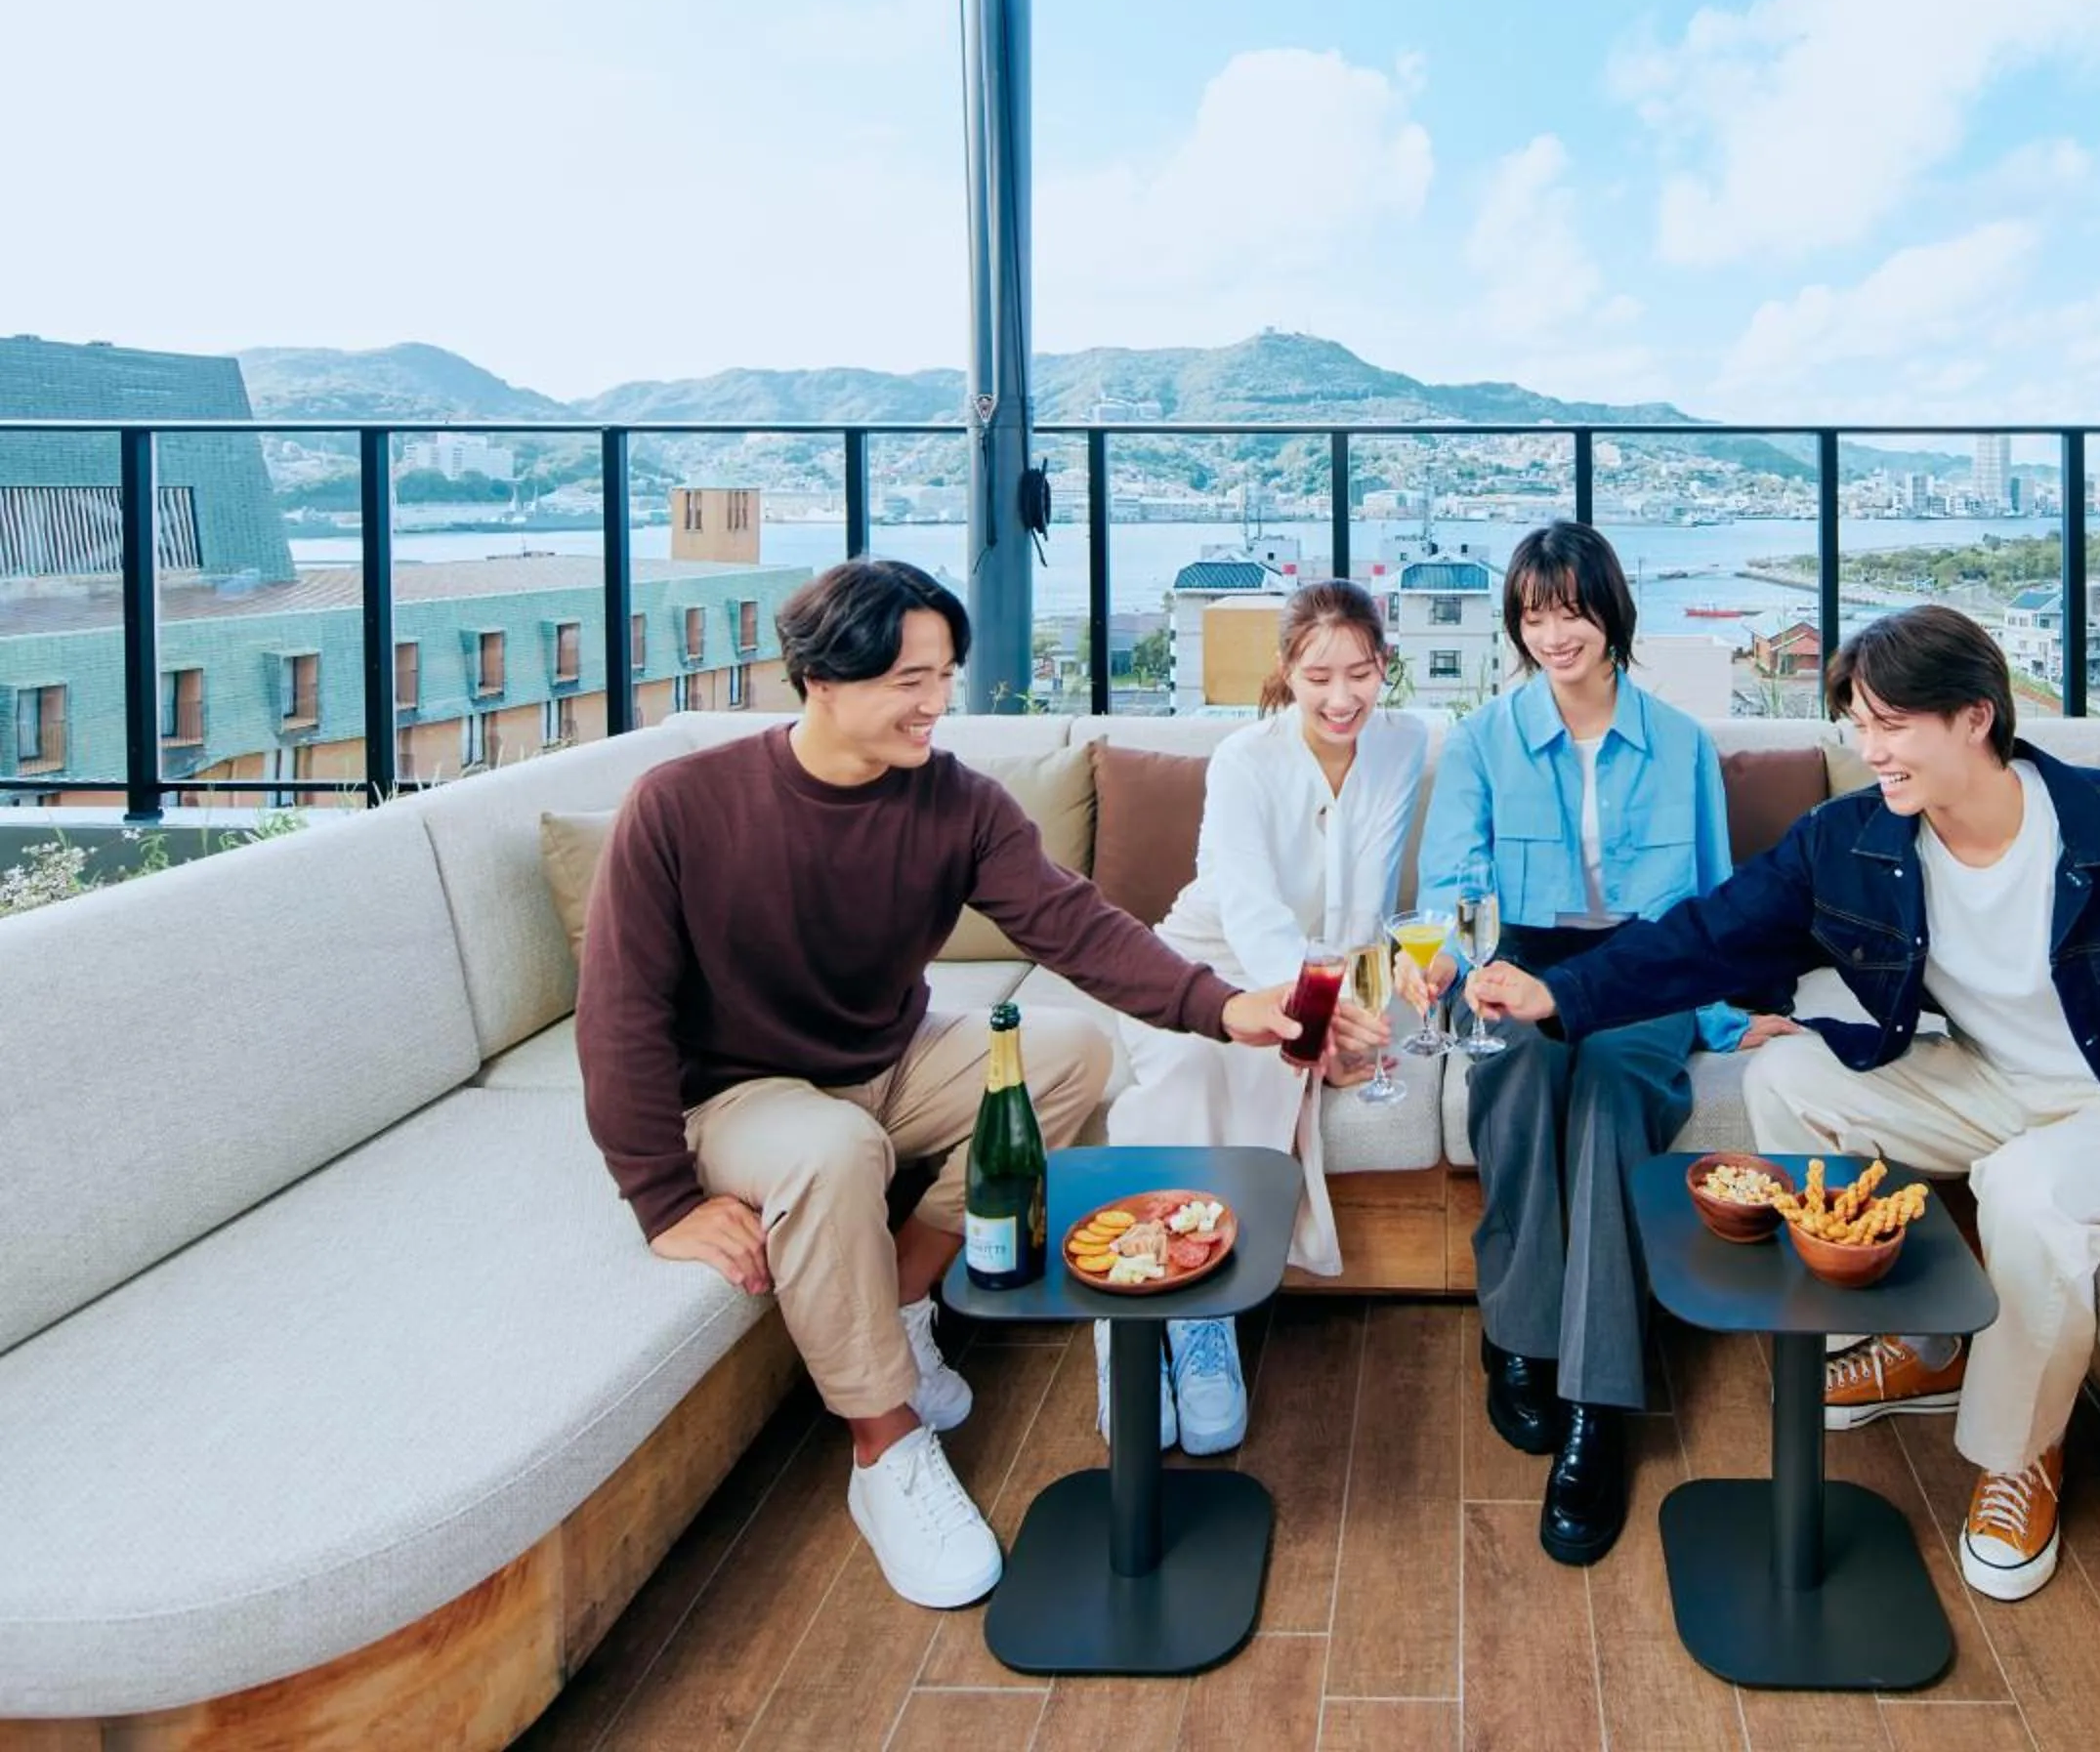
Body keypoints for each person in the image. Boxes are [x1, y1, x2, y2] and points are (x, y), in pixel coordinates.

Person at [1466, 604, 2100, 1602]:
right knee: (1789, 1079)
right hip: (1992, 1081)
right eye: (1859, 727)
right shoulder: (1855, 840)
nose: (1871, 751)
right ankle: (1903, 1343)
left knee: (2031, 1191)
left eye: (1892, 725)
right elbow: (1710, 935)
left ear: (1975, 718)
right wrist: (1563, 992)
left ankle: (2019, 1454)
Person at [576, 558, 1308, 1612]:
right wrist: (662, 1199)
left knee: (1070, 1053)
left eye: (945, 674)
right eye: (907, 679)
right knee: (838, 1151)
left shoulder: (954, 801)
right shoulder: (682, 806)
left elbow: (1074, 922)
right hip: (743, 1089)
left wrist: (1219, 1005)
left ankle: (908, 1292)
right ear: (819, 678)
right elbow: (620, 1007)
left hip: (891, 1053)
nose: (936, 703)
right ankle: (886, 1448)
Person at [1407, 521, 1799, 1567]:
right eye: (1533, 613)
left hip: (1646, 968)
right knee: (1523, 1073)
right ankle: (1519, 1335)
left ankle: (1595, 1401)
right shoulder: (1485, 738)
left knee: (1614, 1093)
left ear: (1611, 612)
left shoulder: (1680, 744)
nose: (1553, 632)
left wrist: (1722, 1014)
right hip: (1515, 955)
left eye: (1571, 608)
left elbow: (1712, 904)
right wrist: (1454, 962)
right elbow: (1451, 886)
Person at [1107, 582, 1413, 1455]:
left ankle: (1201, 1311)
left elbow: (1365, 906)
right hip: (1210, 959)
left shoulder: (1402, 745)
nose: (1342, 696)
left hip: (1319, 964)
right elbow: (1245, 908)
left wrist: (1334, 1021)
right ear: (1287, 671)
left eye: (1361, 672)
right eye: (1320, 675)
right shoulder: (1244, 758)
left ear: (1385, 667)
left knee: (1274, 1068)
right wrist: (1303, 1015)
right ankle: (1124, 1321)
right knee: (1205, 1062)